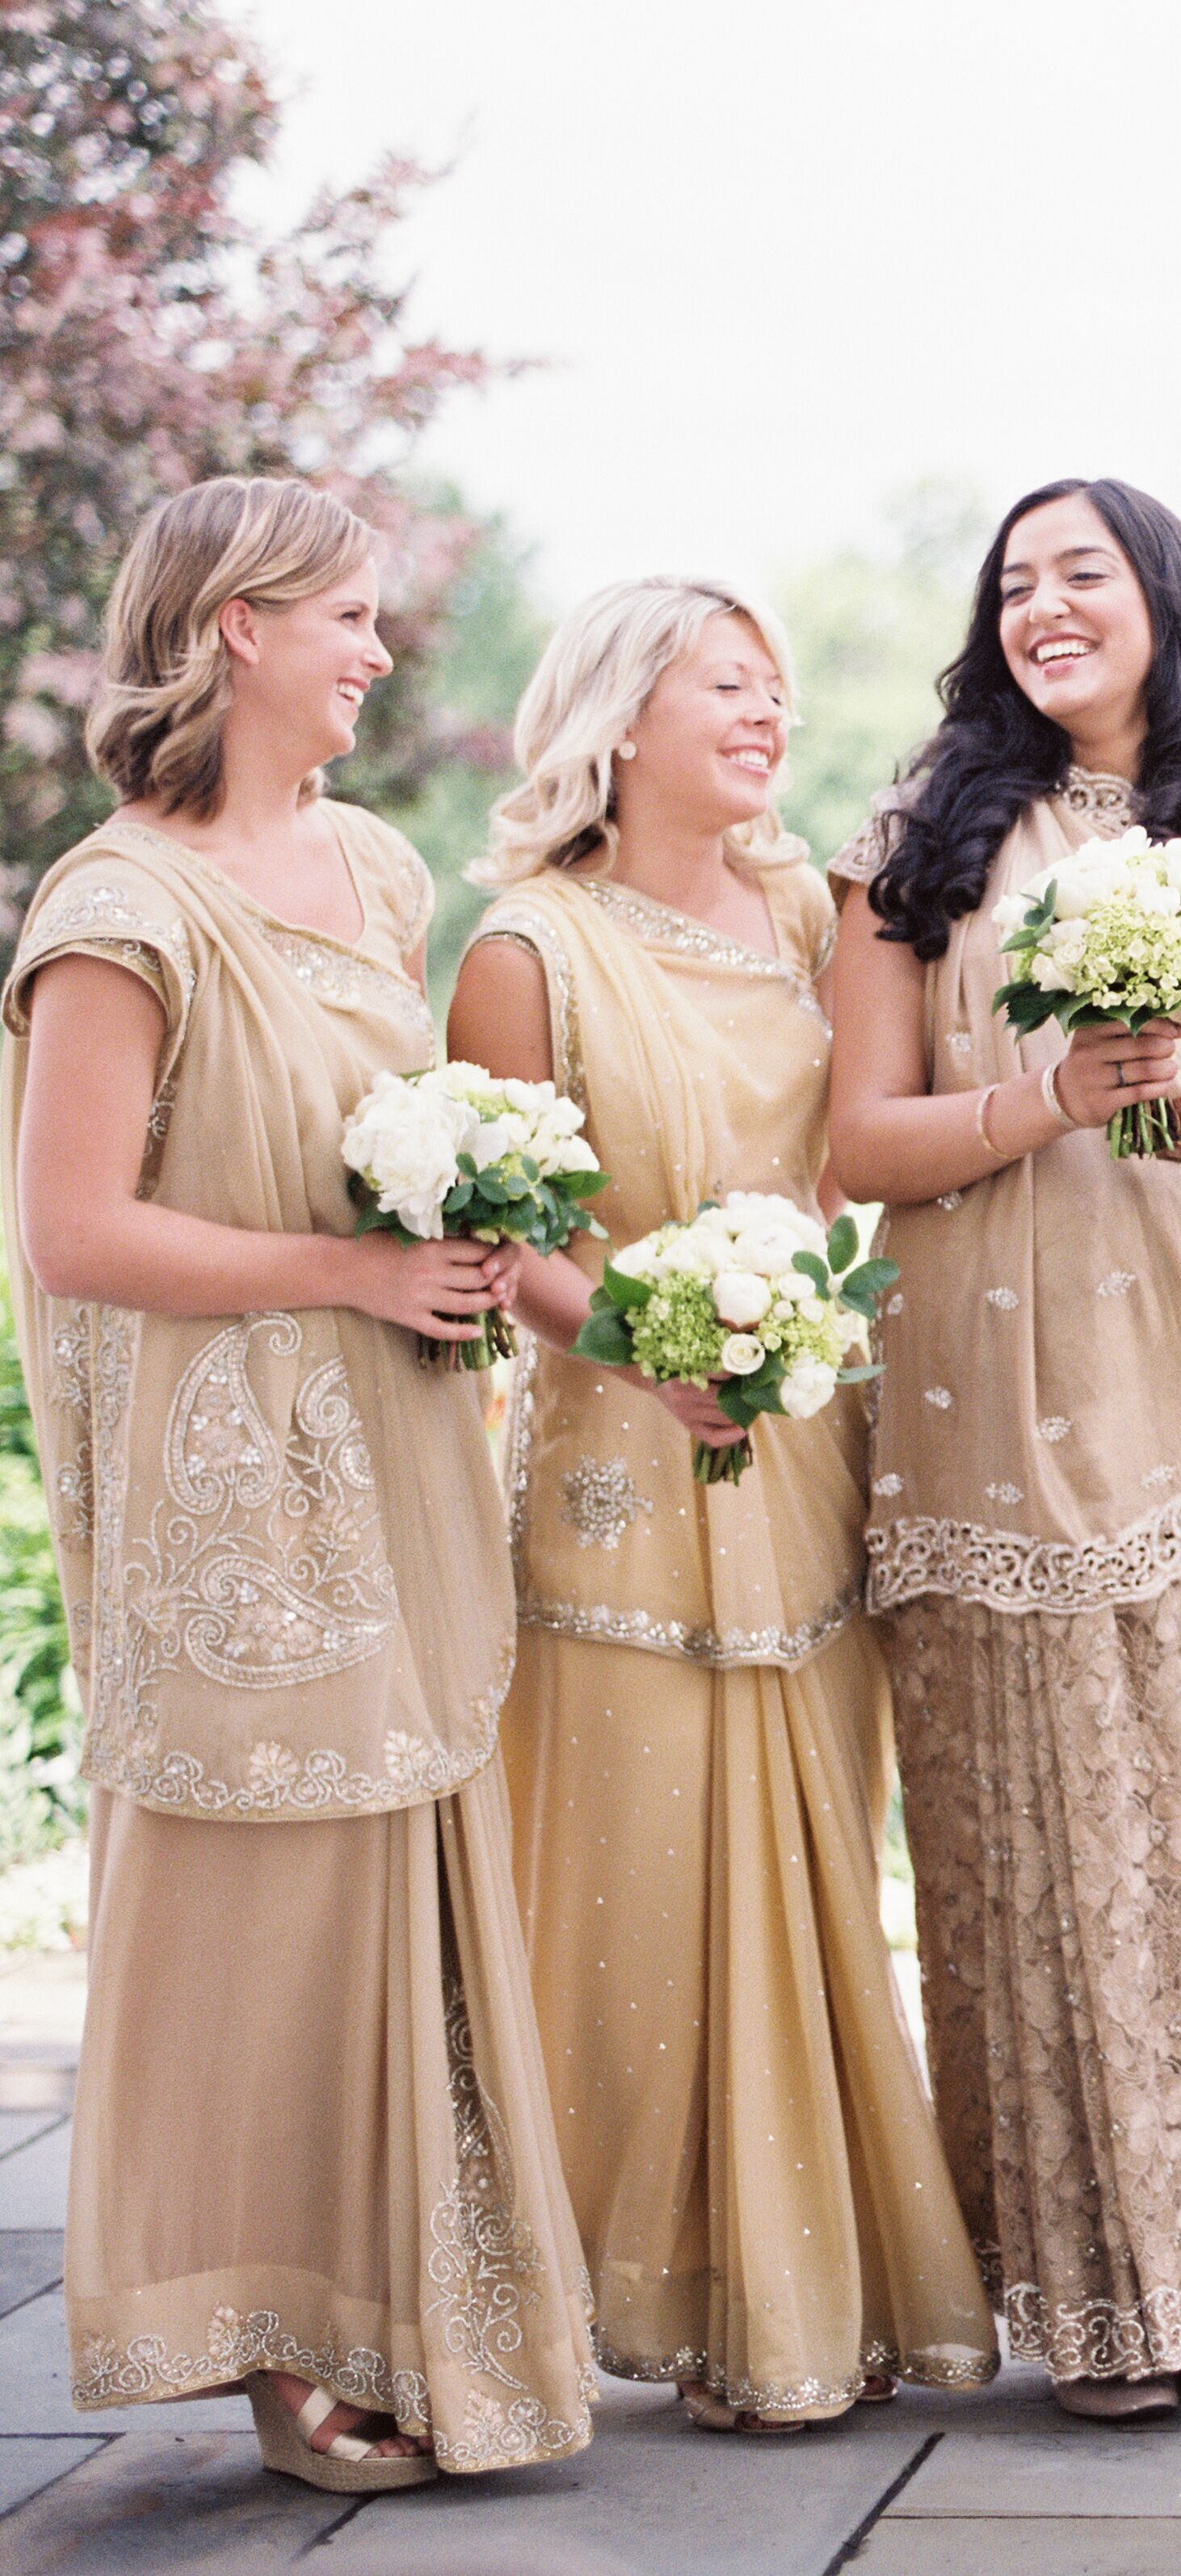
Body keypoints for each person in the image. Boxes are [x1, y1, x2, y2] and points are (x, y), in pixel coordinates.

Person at [2, 477, 595, 2489]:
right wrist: (351, 1272)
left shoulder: (372, 867)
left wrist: (619, 1328)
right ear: (234, 626)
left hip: (404, 1445)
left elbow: (431, 1154)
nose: (375, 649)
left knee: (407, 1875)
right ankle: (270, 2332)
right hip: (232, 1503)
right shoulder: (114, 913)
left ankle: (422, 2310)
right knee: (273, 1904)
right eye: (342, 614)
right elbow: (75, 1233)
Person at [825, 477, 1181, 2419]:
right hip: (992, 1408)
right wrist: (1044, 1092)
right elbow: (858, 1144)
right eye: (1011, 584)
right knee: (1033, 1844)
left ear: (1164, 590)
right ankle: (1089, 2307)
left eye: (1080, 572)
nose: (1043, 606)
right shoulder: (920, 837)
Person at [449, 575, 996, 2429]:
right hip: (617, 1458)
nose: (769, 715)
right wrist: (635, 1335)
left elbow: (858, 1136)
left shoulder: (802, 906)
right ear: (620, 716)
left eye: (776, 688)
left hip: (804, 1439)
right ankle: (605, 2293)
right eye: (726, 687)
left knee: (816, 1838)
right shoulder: (526, 949)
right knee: (633, 1864)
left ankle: (799, 2295)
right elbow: (496, 1216)